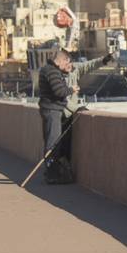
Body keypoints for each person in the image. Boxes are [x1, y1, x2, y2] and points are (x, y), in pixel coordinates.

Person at [37, 48, 76, 185]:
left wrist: (64, 73)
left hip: (49, 110)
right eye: (67, 63)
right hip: (52, 111)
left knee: (51, 141)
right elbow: (59, 91)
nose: (68, 66)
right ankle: (52, 175)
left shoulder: (47, 69)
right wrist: (72, 89)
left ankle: (51, 173)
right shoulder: (52, 71)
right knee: (53, 144)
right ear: (62, 60)